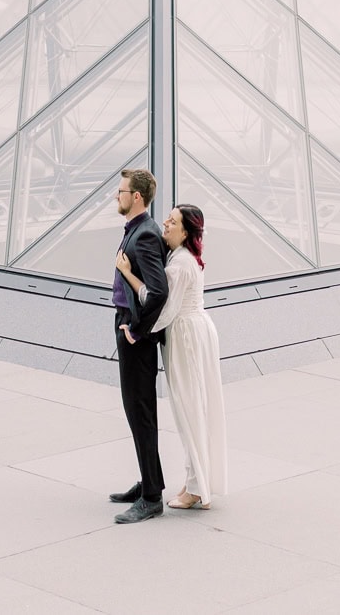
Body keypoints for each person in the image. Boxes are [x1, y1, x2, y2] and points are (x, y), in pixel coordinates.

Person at [116, 202, 228, 511]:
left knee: (188, 412)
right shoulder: (184, 258)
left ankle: (195, 489)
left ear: (186, 230)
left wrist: (136, 329)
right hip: (196, 332)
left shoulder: (179, 264)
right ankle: (198, 483)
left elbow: (163, 308)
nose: (165, 223)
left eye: (172, 221)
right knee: (198, 409)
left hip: (185, 337)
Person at [109, 167, 168, 525]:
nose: (117, 196)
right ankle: (148, 481)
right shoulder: (136, 230)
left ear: (137, 197)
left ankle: (151, 498)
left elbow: (158, 291)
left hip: (133, 333)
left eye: (121, 191)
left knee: (140, 411)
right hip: (128, 327)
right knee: (136, 411)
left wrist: (137, 329)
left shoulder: (145, 235)